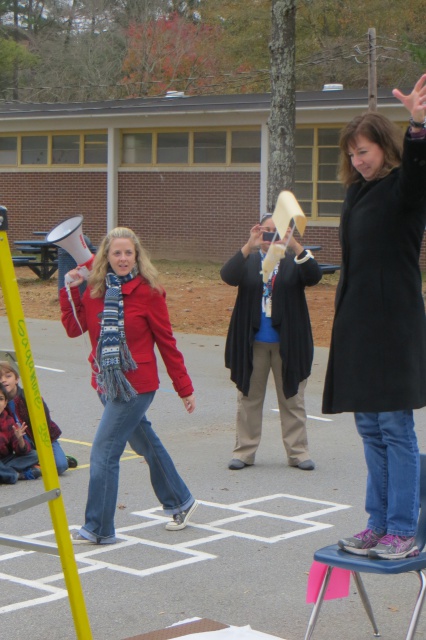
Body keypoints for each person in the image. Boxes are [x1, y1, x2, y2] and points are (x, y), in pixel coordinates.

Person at [323, 73, 426, 560]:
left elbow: (420, 170)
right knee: (369, 428)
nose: (357, 160)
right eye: (351, 154)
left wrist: (419, 125)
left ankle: (403, 529)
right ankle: (378, 523)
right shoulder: (356, 194)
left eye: (364, 151)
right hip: (359, 327)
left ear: (384, 147)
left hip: (394, 327)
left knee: (394, 428)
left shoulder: (405, 190)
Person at [59, 226, 198, 545]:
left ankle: (98, 527)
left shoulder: (149, 291)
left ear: (137, 256)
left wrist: (184, 387)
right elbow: (73, 328)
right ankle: (181, 500)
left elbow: (167, 342)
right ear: (106, 257)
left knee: (104, 452)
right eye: (116, 253)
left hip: (136, 386)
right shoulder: (94, 288)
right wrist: (67, 291)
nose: (122, 258)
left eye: (128, 253)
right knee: (145, 443)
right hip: (105, 382)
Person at [221, 214, 322, 471]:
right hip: (253, 343)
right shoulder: (250, 260)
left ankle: (298, 452)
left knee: (292, 398)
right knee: (248, 398)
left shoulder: (292, 262)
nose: (270, 237)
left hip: (288, 343)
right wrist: (249, 245)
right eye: (265, 231)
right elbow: (227, 275)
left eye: (275, 232)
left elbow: (314, 276)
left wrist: (295, 245)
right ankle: (244, 451)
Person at [0, 361, 77, 475]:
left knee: (60, 466)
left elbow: (45, 420)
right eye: (0, 377)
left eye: (8, 376)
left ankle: (43, 461)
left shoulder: (29, 397)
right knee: (27, 452)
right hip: (21, 441)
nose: (4, 380)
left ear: (16, 379)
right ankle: (30, 465)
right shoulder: (1, 402)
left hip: (41, 435)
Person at [0, 382, 41, 483]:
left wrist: (20, 440)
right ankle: (18, 475)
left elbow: (21, 451)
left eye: (0, 399)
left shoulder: (8, 420)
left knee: (34, 455)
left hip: (5, 460)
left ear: (5, 403)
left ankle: (4, 473)